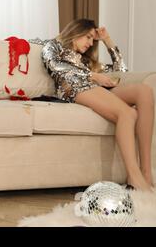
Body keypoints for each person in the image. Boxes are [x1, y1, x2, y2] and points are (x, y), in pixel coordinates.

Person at [42, 19, 154, 192]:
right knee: (128, 114)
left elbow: (122, 71)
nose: (90, 43)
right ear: (76, 32)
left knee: (144, 92)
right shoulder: (53, 46)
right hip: (73, 88)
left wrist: (108, 41)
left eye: (93, 40)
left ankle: (146, 172)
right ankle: (134, 176)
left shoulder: (87, 60)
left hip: (98, 89)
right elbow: (55, 66)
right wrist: (93, 76)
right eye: (87, 37)